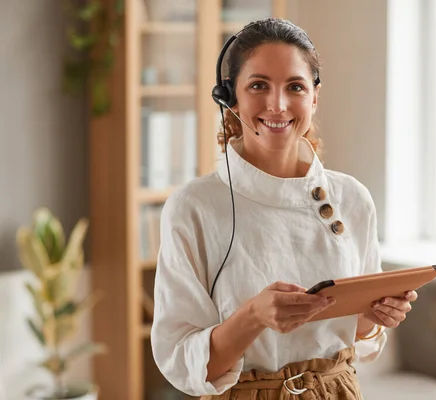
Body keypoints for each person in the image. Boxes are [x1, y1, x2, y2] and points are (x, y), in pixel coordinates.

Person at [151, 18, 418, 399]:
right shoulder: (193, 207)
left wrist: (372, 318)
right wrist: (254, 316)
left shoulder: (352, 198)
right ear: (231, 97)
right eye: (259, 85)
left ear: (314, 97)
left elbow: (359, 338)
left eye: (295, 87)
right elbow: (183, 362)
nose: (277, 105)